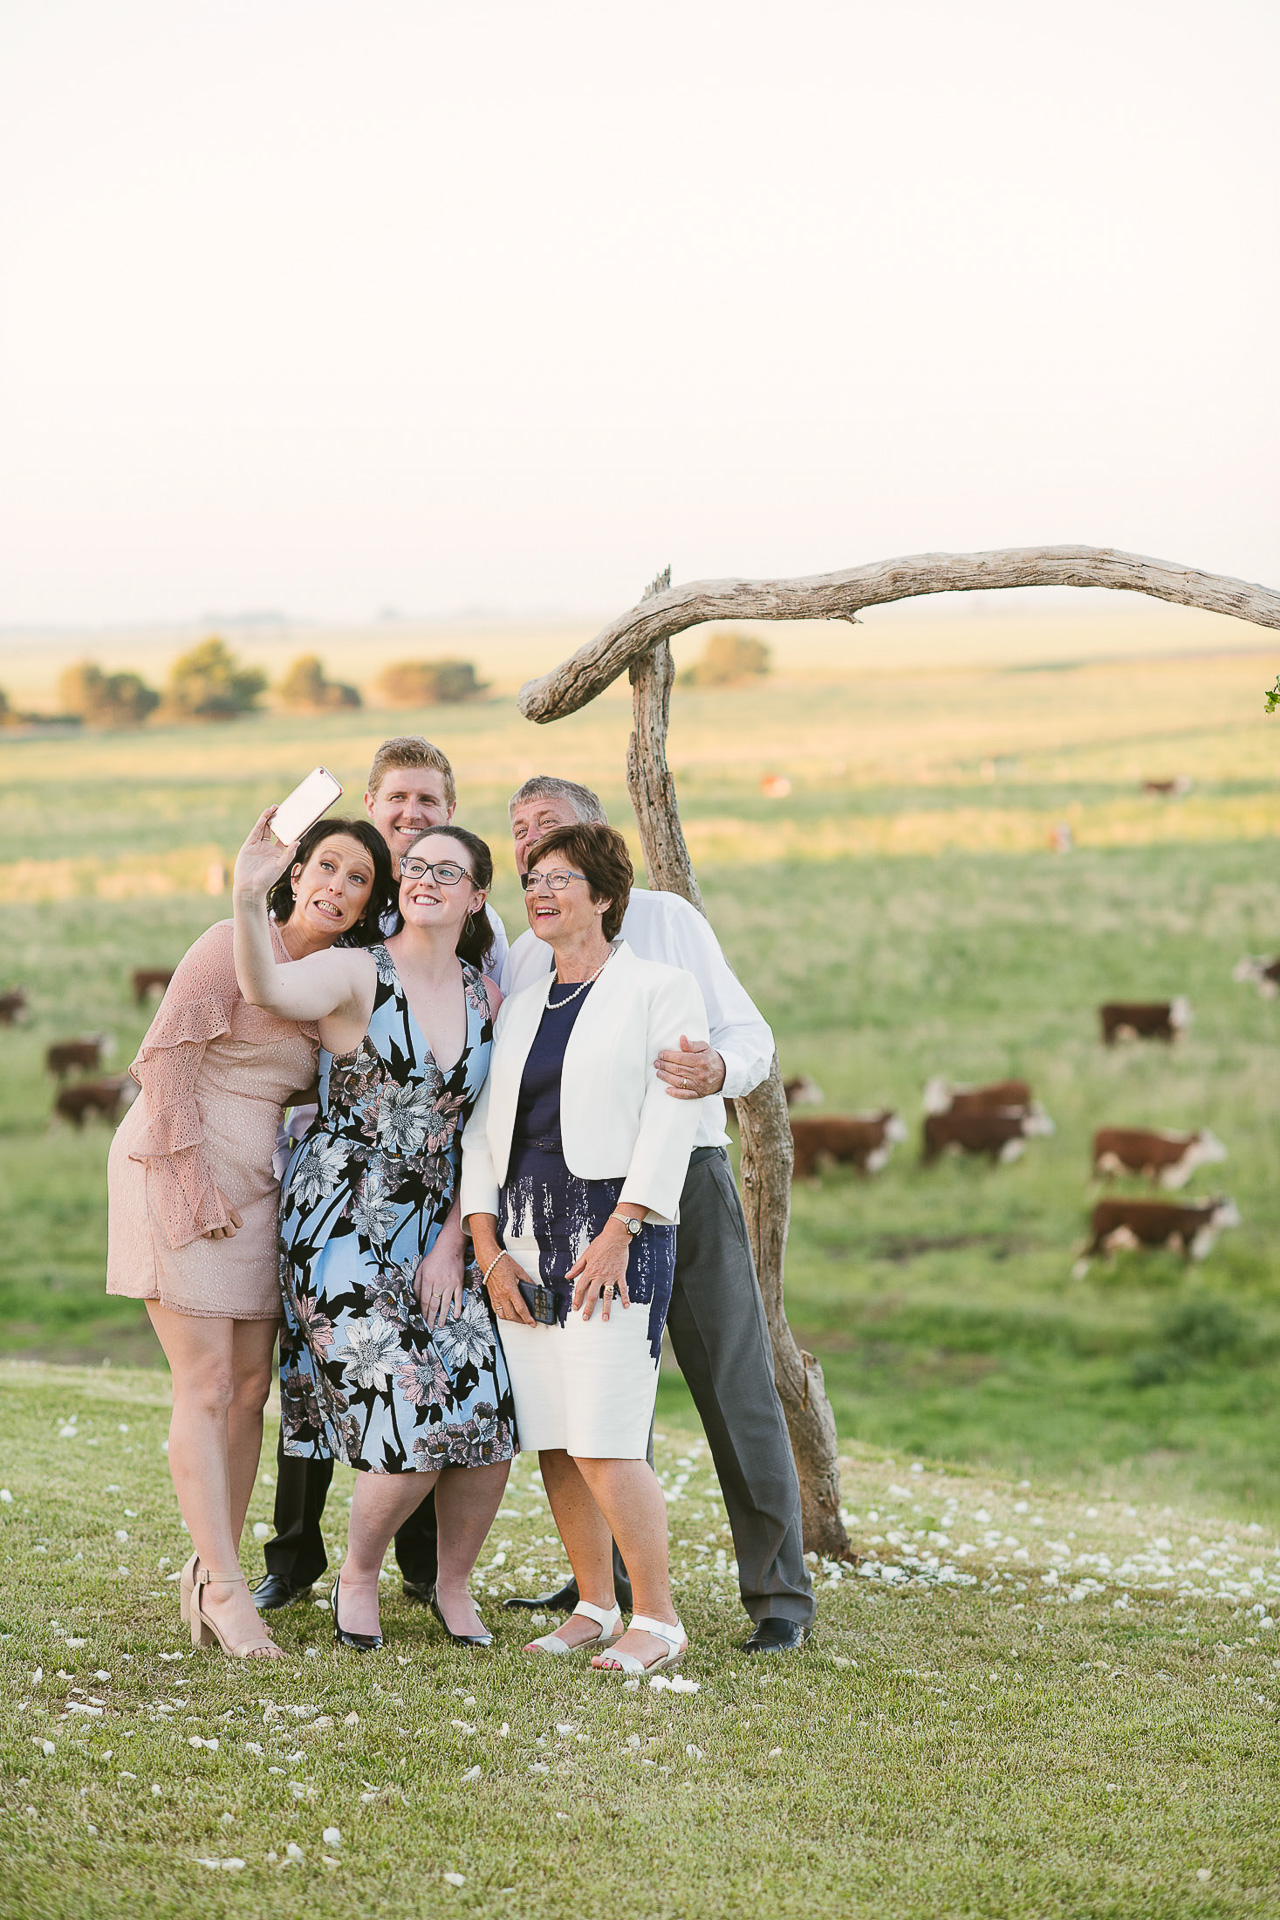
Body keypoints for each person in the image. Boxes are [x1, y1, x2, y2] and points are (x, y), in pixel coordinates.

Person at [499, 777, 816, 1655]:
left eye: (551, 830)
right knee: (594, 1391)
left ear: (597, 840)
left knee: (733, 1380)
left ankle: (779, 1592)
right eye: (520, 834)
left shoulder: (668, 921)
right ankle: (602, 1588)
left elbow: (749, 1035)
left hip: (685, 1176)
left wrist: (718, 1070)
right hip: (569, 1201)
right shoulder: (526, 950)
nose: (533, 847)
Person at [106, 816, 395, 1659]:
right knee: (202, 1382)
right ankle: (229, 1594)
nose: (335, 888)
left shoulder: (339, 979)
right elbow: (161, 1065)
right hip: (175, 1156)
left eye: (357, 880)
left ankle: (210, 1569)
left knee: (248, 1387)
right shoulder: (228, 941)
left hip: (259, 1181)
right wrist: (194, 1188)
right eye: (325, 867)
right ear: (293, 871)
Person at [233, 810, 516, 1650]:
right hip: (342, 1218)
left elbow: (478, 1129)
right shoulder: (357, 973)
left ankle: (454, 1588)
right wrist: (249, 898)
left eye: (446, 870)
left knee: (491, 1405)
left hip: (437, 1225)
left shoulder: (485, 994)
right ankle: (358, 1575)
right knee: (412, 1408)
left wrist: (453, 1242)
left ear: (476, 896)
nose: (424, 878)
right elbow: (266, 991)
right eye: (414, 867)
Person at [462, 822, 706, 1675]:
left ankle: (660, 1619)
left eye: (561, 877)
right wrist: (487, 1247)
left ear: (604, 896)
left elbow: (672, 1117)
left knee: (606, 1433)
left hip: (614, 1229)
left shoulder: (660, 989)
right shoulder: (522, 1006)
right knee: (558, 1433)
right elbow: (483, 1140)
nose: (541, 889)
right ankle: (595, 1603)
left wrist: (621, 1229)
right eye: (533, 877)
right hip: (522, 1236)